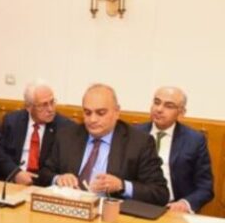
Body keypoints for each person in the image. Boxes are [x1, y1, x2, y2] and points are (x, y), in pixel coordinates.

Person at [37, 84, 169, 205]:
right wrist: (58, 178)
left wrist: (122, 185)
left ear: (116, 112)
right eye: (87, 113)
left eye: (101, 113)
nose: (92, 119)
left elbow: (160, 193)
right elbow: (43, 174)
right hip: (69, 209)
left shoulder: (139, 143)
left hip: (112, 216)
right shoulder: (67, 135)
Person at [135, 86, 213, 212]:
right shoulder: (134, 134)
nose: (159, 109)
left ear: (181, 112)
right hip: (138, 205)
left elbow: (205, 187)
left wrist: (185, 204)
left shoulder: (195, 140)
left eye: (169, 106)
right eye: (156, 102)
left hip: (173, 208)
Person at [0, 82, 73, 185]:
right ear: (28, 107)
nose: (50, 109)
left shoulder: (64, 127)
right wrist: (15, 173)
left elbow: (58, 165)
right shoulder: (12, 121)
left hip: (43, 184)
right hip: (13, 180)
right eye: (43, 105)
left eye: (52, 102)